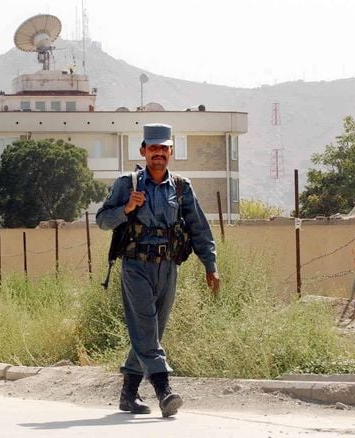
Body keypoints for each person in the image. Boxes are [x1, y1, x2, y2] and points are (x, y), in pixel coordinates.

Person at [96, 123, 220, 417]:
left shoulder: (181, 186)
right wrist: (126, 208)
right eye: (153, 148)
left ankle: (128, 395)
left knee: (151, 332)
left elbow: (199, 228)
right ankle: (164, 390)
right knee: (147, 330)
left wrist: (210, 265)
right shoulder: (128, 184)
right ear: (143, 151)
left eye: (164, 148)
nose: (159, 154)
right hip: (136, 266)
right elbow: (102, 220)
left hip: (168, 267)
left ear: (171, 152)